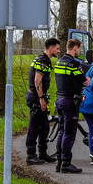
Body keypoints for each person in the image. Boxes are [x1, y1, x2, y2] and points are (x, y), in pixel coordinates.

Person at [53, 39, 88, 173]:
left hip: (60, 99)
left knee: (62, 131)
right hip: (70, 101)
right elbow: (85, 82)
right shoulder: (73, 64)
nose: (79, 51)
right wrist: (87, 80)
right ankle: (66, 164)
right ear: (75, 48)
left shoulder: (59, 62)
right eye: (79, 48)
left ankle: (59, 162)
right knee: (69, 133)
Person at [26, 37, 61, 165]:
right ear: (50, 48)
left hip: (39, 96)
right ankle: (31, 155)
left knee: (45, 127)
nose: (58, 51)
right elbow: (37, 81)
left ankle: (43, 153)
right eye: (57, 48)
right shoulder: (43, 60)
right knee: (34, 127)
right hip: (36, 97)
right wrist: (41, 98)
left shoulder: (43, 59)